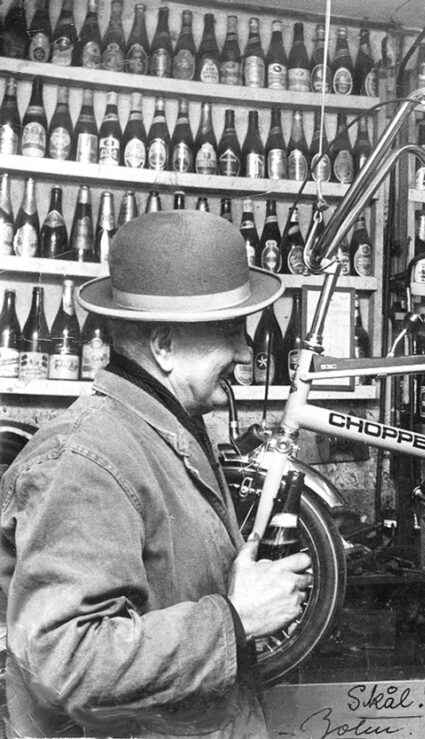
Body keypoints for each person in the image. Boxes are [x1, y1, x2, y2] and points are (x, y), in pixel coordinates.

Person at [0, 210, 312, 737]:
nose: (244, 351)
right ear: (165, 346)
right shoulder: (84, 460)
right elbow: (67, 663)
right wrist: (235, 619)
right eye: (231, 332)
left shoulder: (162, 429)